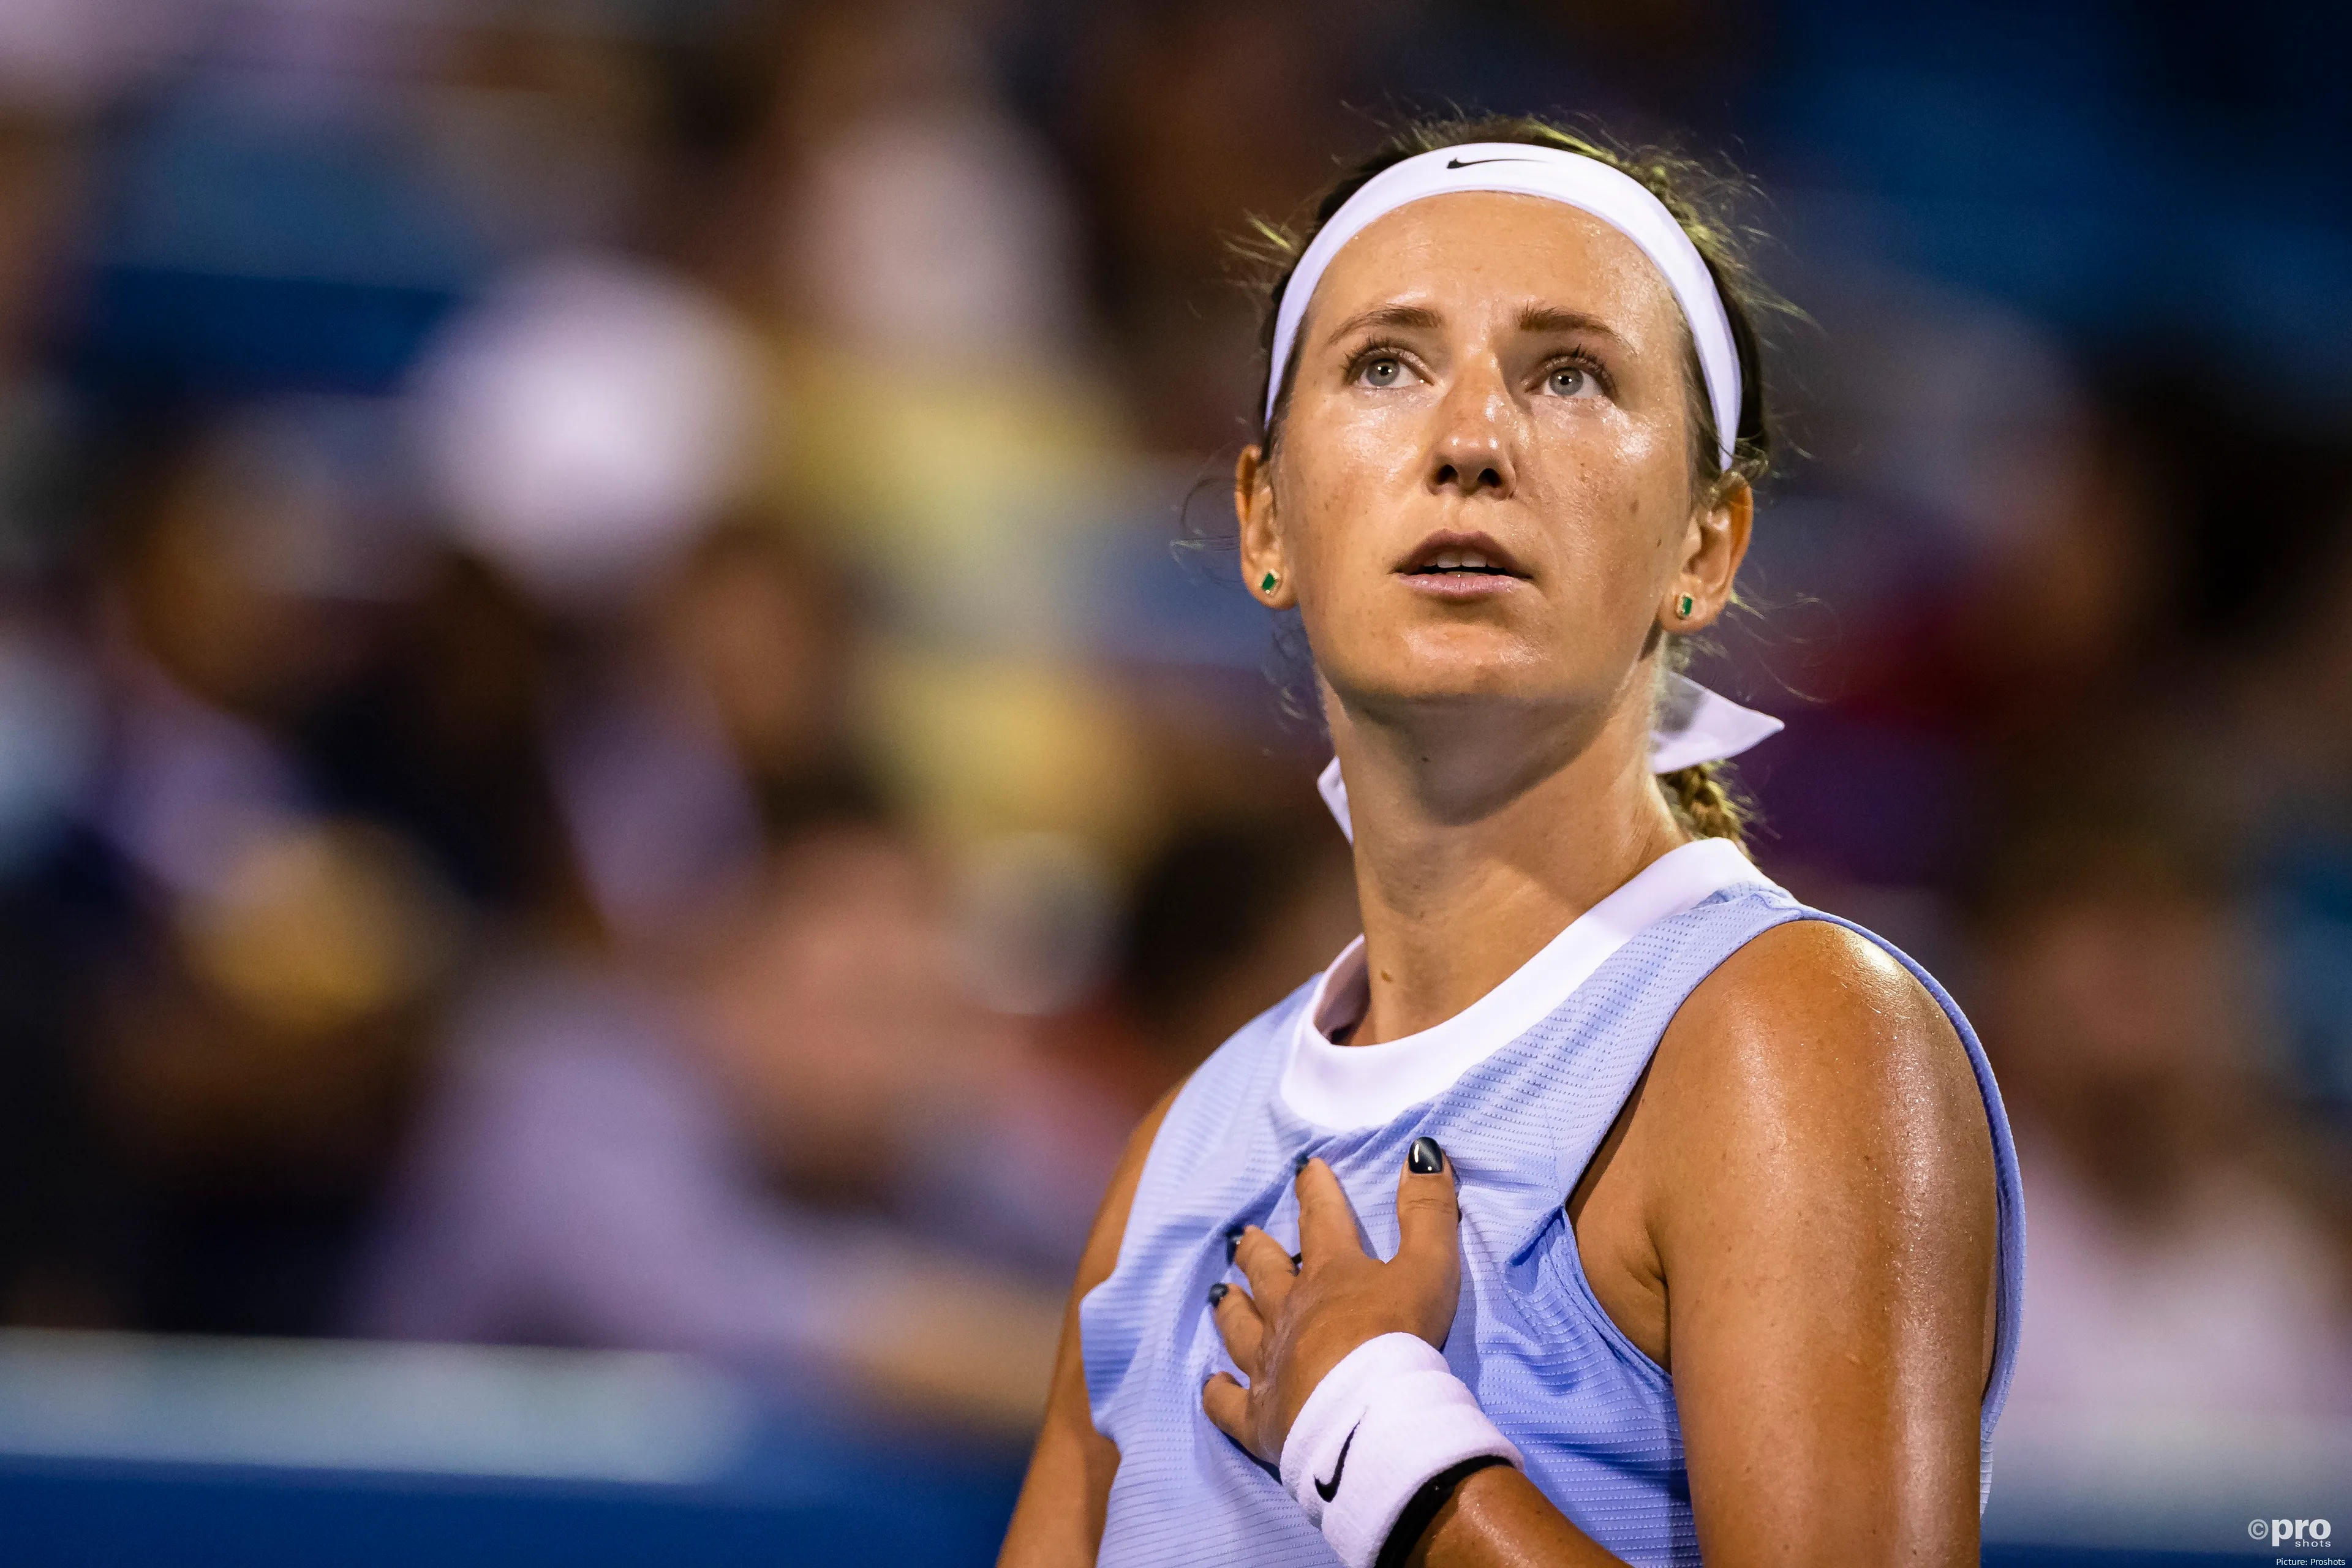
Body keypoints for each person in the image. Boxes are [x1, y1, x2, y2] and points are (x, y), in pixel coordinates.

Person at [999, 117, 2022, 1568]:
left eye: (1571, 374)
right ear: (1265, 516)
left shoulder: (1795, 1036)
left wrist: (1397, 1456)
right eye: (1385, 365)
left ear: (1707, 547)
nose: (1471, 442)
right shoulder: (1176, 1152)